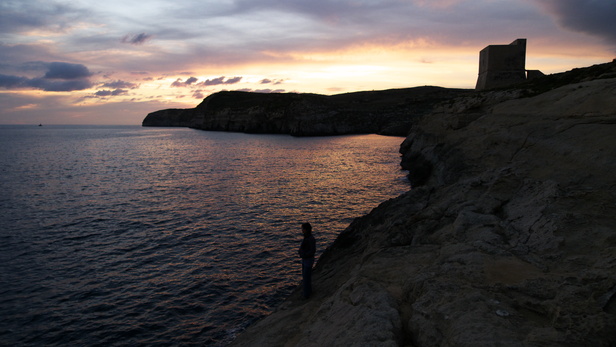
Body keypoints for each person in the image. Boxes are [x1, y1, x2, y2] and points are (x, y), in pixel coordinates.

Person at [298, 222, 316, 299]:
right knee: (306, 277)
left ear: (306, 229)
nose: (302, 230)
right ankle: (308, 291)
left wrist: (304, 254)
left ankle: (306, 295)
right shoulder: (307, 237)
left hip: (308, 260)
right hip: (305, 259)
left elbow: (312, 250)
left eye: (303, 229)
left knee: (306, 277)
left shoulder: (310, 238)